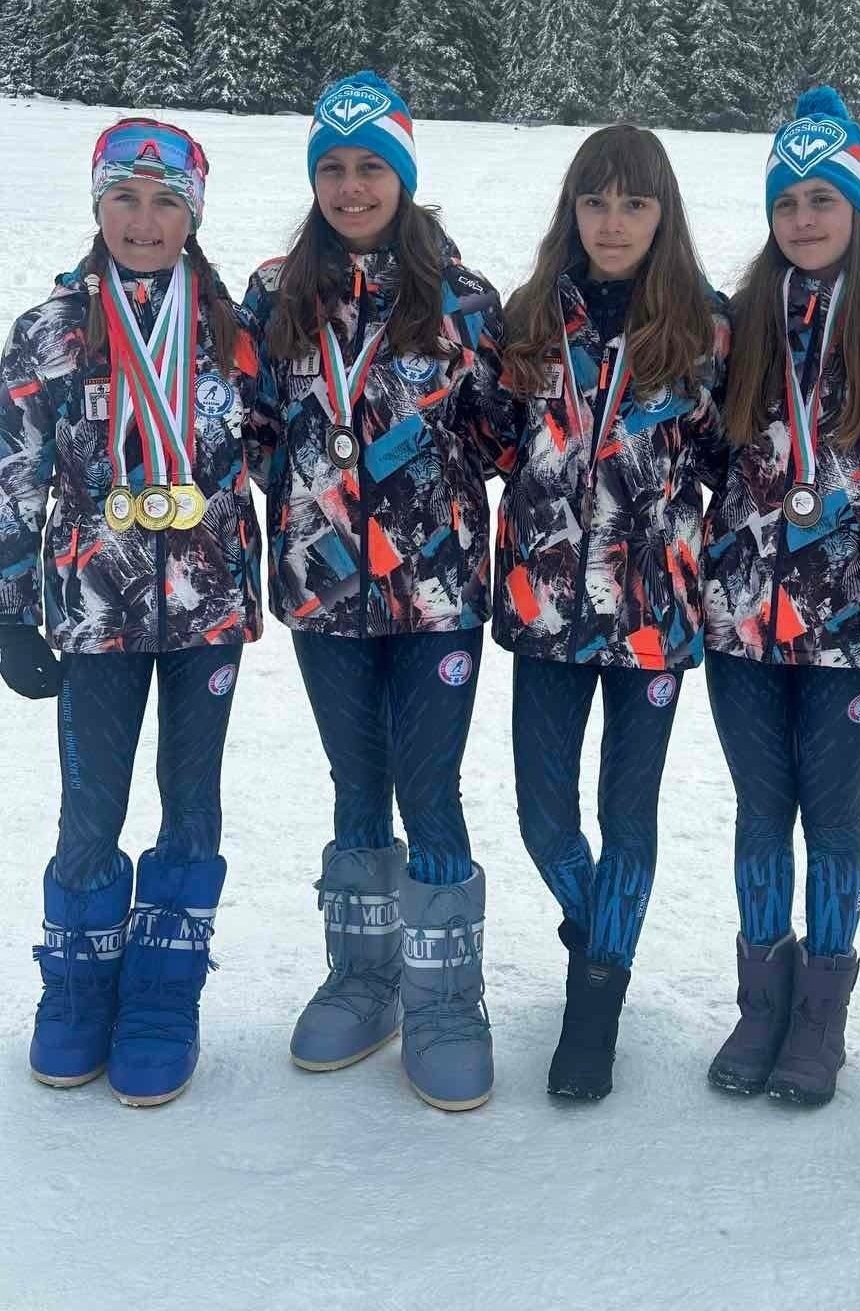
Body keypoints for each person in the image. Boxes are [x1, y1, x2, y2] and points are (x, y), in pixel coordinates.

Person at [243, 71, 515, 1112]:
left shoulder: (463, 298)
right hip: (324, 591)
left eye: (371, 168)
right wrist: (312, 506)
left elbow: (496, 437)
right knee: (356, 781)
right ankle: (365, 978)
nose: (352, 188)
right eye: (334, 169)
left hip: (437, 596)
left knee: (430, 784)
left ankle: (445, 996)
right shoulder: (275, 293)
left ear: (403, 176)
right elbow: (255, 429)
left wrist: (422, 503)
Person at [0, 117, 262, 1106]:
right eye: (125, 198)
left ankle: (162, 994)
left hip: (208, 609)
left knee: (192, 801)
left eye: (165, 203)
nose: (144, 222)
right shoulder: (50, 331)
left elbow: (284, 452)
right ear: (98, 203)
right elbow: (14, 474)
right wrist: (8, 606)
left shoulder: (235, 332)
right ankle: (77, 986)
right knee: (90, 802)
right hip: (94, 611)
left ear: (193, 215)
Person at [702, 85, 860, 1107]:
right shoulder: (737, 319)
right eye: (787, 200)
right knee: (763, 812)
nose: (803, 219)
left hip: (851, 626)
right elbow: (699, 453)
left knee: (831, 816)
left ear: (858, 206)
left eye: (823, 198)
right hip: (742, 618)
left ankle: (819, 1019)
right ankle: (761, 1004)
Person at [494, 122, 730, 1100]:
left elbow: (731, 465)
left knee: (626, 814)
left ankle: (596, 1000)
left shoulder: (706, 332)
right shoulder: (527, 319)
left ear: (663, 213)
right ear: (572, 210)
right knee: (543, 815)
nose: (614, 222)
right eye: (595, 201)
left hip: (651, 619)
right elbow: (493, 440)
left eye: (635, 203)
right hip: (545, 609)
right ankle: (599, 933)